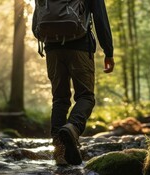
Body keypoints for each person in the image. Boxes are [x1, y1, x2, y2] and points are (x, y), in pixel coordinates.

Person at [44, 0, 115, 165]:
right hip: (80, 46)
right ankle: (73, 128)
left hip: (52, 47)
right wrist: (108, 51)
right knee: (86, 97)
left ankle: (59, 152)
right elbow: (100, 18)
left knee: (60, 99)